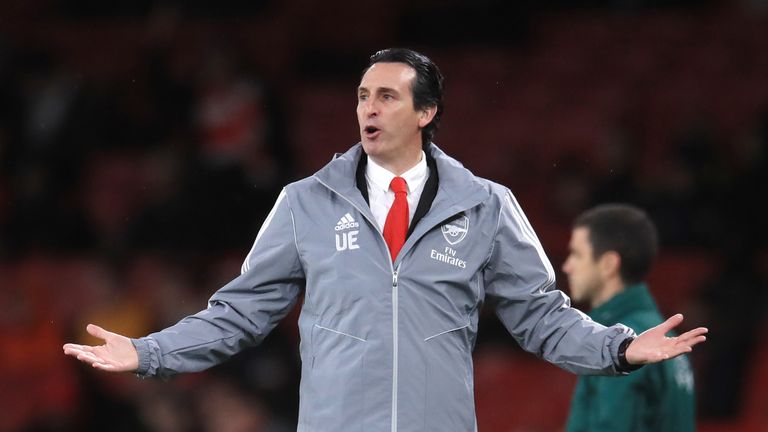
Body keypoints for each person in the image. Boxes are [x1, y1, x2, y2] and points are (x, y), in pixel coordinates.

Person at [64, 48, 707, 431]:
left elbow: (542, 316)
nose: (369, 109)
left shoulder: (487, 206)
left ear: (426, 113)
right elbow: (239, 312)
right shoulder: (305, 203)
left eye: (388, 97)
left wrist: (619, 349)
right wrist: (149, 352)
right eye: (363, 96)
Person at [562, 203, 696, 432]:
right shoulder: (655, 333)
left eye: (577, 254)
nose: (567, 267)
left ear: (608, 264)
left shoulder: (624, 345)